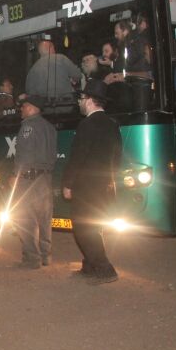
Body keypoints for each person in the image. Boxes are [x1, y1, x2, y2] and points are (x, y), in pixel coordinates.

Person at [62, 80, 122, 285]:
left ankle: (105, 268)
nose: (79, 101)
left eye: (81, 98)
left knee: (83, 228)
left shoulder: (87, 124)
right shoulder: (112, 124)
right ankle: (89, 265)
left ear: (89, 100)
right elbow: (117, 156)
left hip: (86, 186)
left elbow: (78, 157)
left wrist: (68, 184)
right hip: (103, 184)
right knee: (93, 225)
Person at [12, 95, 57, 269]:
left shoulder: (28, 127)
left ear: (31, 108)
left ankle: (32, 258)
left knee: (24, 218)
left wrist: (16, 174)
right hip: (46, 177)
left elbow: (24, 153)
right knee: (44, 218)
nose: (21, 110)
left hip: (28, 178)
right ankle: (46, 255)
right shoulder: (50, 127)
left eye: (23, 107)